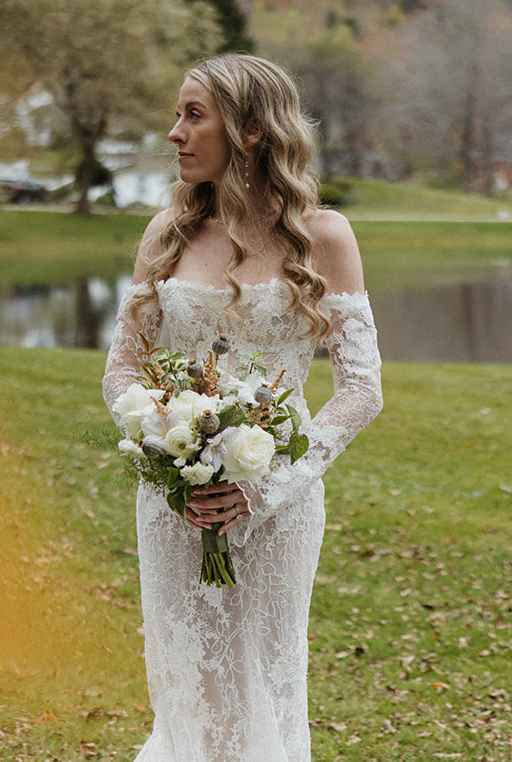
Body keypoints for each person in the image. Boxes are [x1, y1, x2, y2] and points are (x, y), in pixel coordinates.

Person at [102, 54, 383, 762]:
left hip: (280, 507)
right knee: (188, 689)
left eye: (193, 114)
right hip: (173, 508)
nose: (175, 132)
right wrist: (169, 455)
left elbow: (360, 388)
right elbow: (122, 370)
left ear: (252, 128)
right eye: (176, 113)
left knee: (264, 682)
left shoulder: (323, 236)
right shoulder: (167, 233)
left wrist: (264, 486)